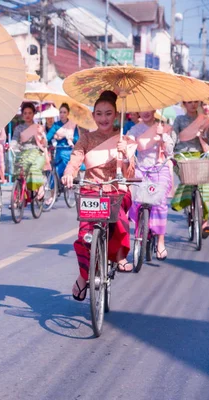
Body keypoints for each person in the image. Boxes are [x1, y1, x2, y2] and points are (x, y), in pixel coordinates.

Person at [62, 90, 137, 300]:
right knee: (84, 237)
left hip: (116, 191)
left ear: (115, 115)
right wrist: (69, 174)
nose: (103, 118)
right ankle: (84, 276)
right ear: (94, 116)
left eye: (108, 113)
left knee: (120, 222)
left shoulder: (125, 139)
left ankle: (118, 255)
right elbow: (75, 160)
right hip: (91, 191)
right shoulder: (85, 139)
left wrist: (125, 156)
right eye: (99, 113)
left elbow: (130, 174)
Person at [127, 110, 174, 260]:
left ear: (155, 110)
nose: (146, 112)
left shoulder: (163, 127)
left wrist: (162, 137)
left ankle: (161, 242)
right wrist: (126, 145)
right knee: (135, 200)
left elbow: (170, 151)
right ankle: (142, 229)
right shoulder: (135, 129)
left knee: (159, 203)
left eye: (150, 108)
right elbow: (131, 145)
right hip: (141, 169)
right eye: (143, 108)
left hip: (160, 170)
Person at [170, 100, 209, 238]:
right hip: (182, 156)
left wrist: (205, 134)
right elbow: (173, 138)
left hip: (200, 155)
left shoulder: (204, 120)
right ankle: (187, 203)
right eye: (189, 102)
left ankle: (204, 220)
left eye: (195, 102)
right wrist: (169, 152)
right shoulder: (179, 120)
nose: (193, 104)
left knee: (207, 185)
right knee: (187, 179)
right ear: (184, 104)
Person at [11, 102, 47, 200]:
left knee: (33, 169)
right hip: (22, 153)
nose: (27, 115)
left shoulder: (38, 127)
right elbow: (14, 140)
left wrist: (41, 135)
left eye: (30, 113)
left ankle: (39, 187)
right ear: (22, 114)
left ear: (33, 114)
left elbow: (45, 144)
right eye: (25, 113)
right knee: (18, 172)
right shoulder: (19, 128)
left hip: (36, 152)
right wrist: (11, 147)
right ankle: (17, 196)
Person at [46, 103, 80, 179]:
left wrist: (70, 138)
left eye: (64, 112)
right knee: (56, 169)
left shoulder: (73, 125)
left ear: (68, 113)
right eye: (60, 112)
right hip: (59, 151)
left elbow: (77, 139)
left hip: (70, 150)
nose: (62, 114)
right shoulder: (56, 125)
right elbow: (48, 137)